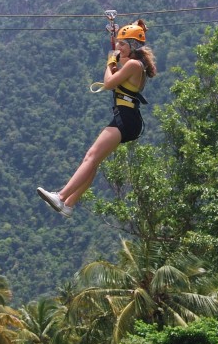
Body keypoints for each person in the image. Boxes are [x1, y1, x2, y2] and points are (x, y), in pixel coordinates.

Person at [37, 19, 157, 216]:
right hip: (127, 118)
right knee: (93, 160)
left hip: (126, 119)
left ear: (133, 46)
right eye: (118, 43)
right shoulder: (133, 64)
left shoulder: (134, 65)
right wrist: (115, 49)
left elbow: (108, 83)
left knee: (90, 156)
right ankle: (69, 204)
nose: (118, 47)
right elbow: (117, 72)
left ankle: (61, 196)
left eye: (122, 44)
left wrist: (110, 63)